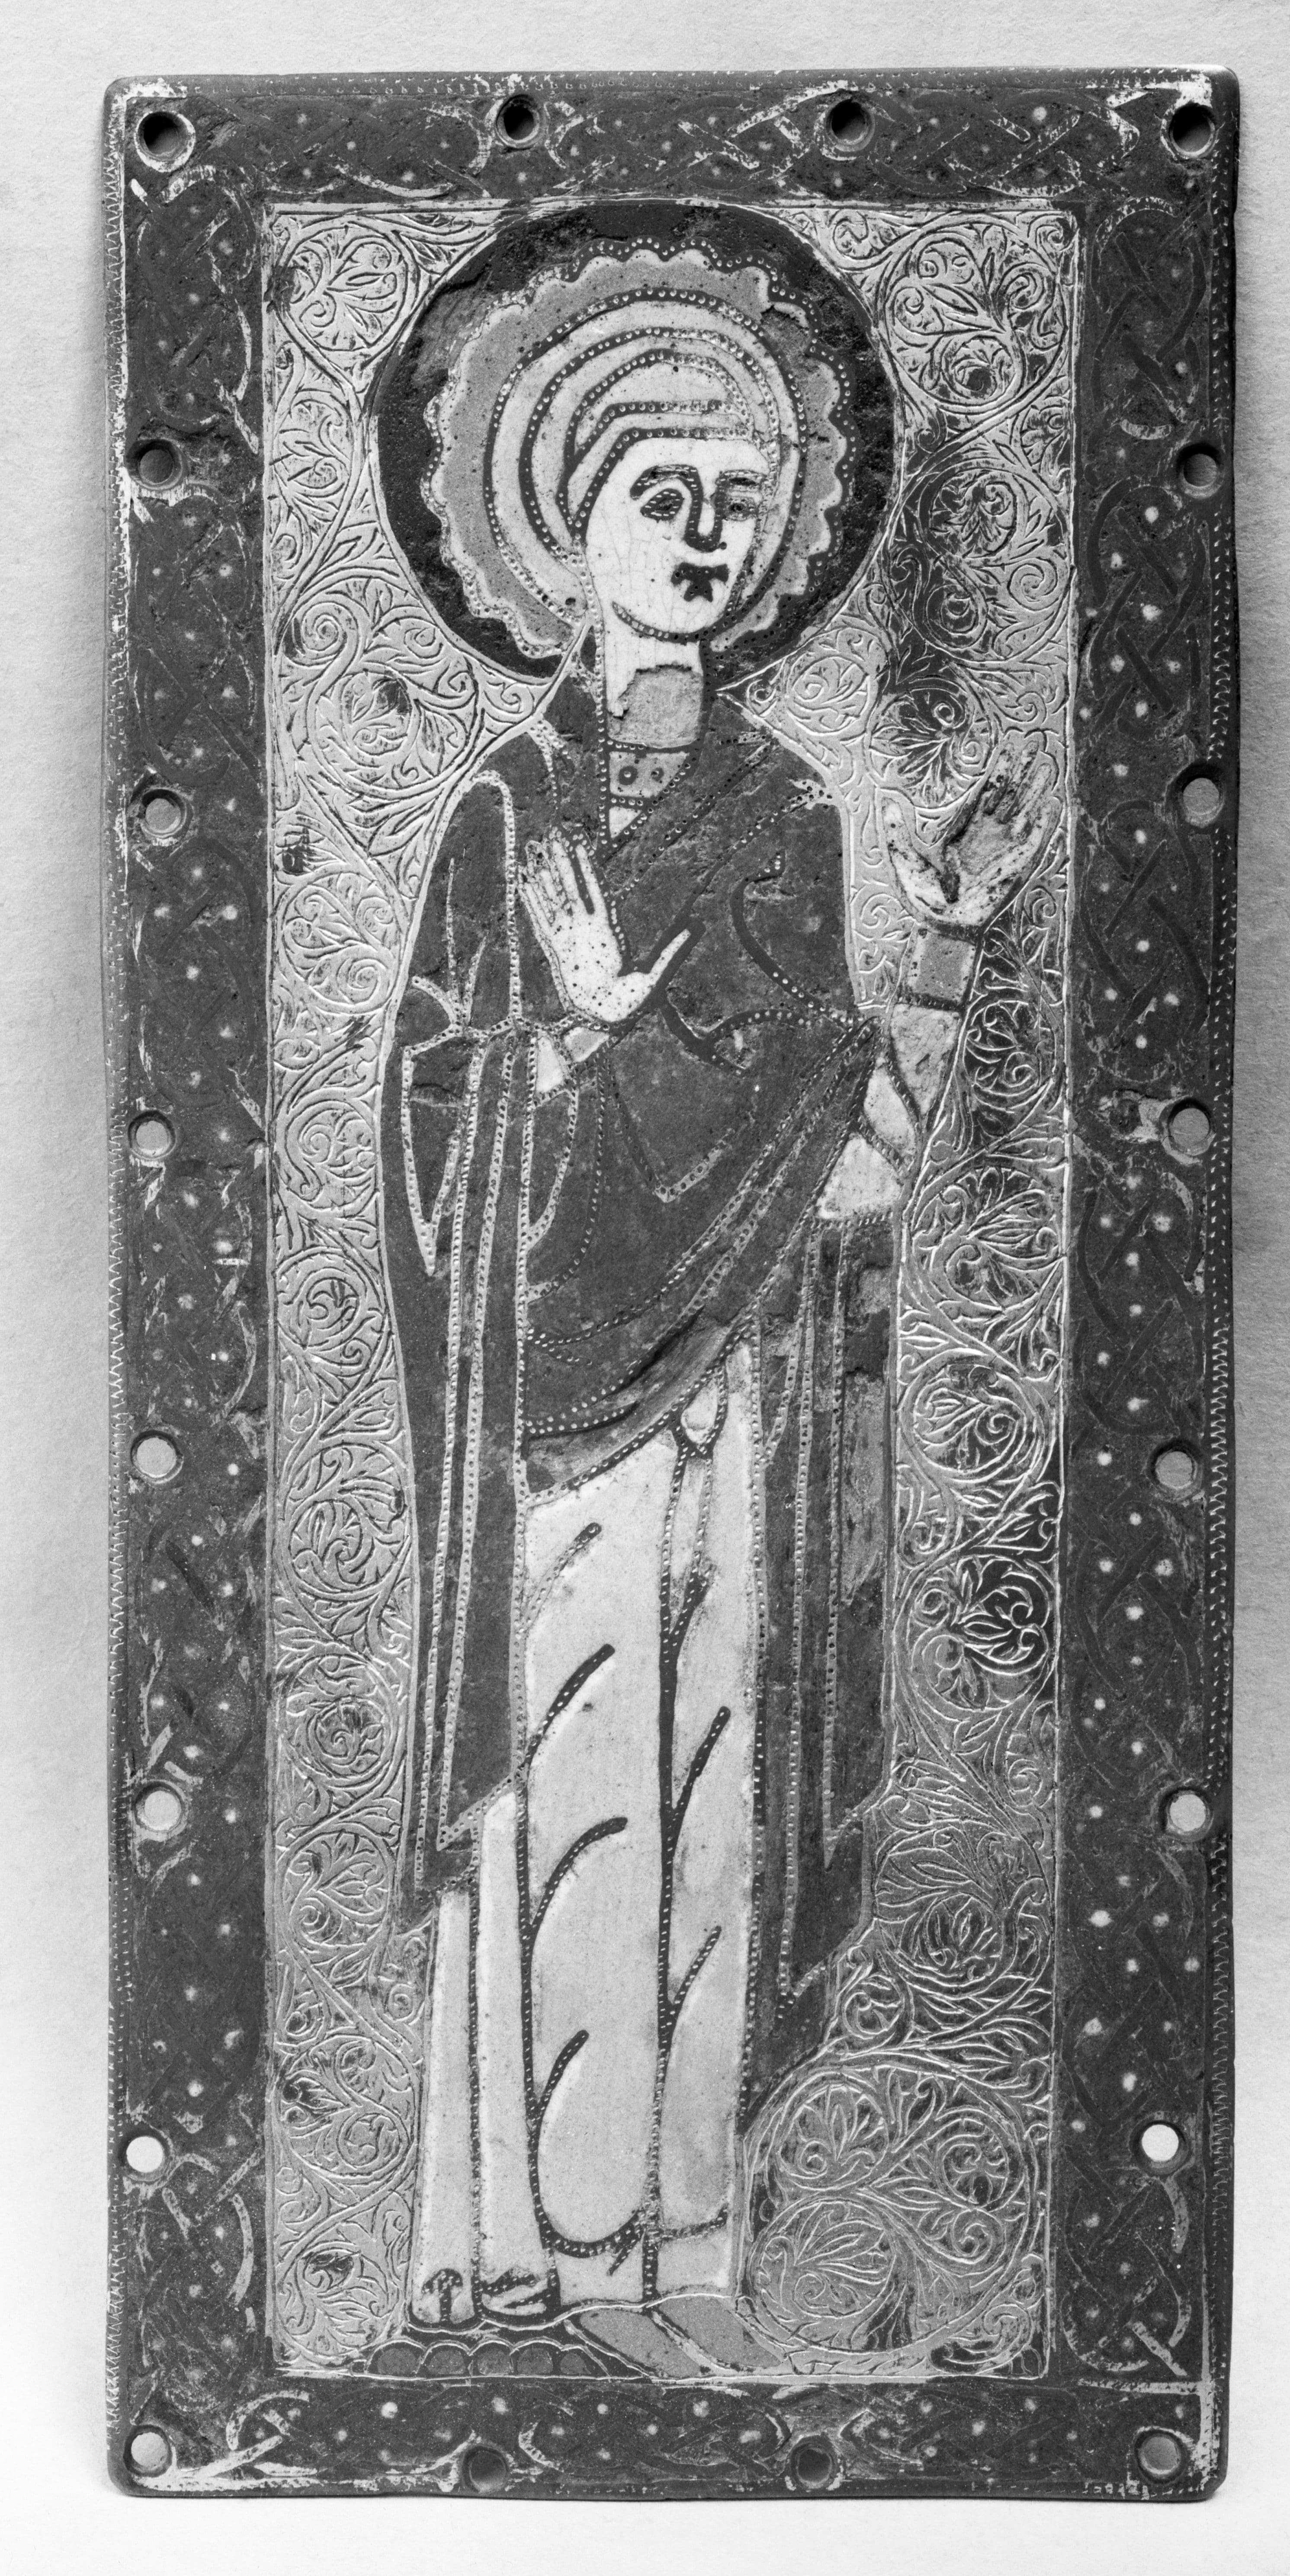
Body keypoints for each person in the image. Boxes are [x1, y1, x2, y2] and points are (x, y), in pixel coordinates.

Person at [378, 253, 1052, 2337]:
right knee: (576, 1802)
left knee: (710, 1820)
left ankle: (681, 2251)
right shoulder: (504, 817)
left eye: (740, 509)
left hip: (737, 1396)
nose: (705, 540)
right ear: (562, 527)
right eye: (662, 494)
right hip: (559, 1405)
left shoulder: (788, 815)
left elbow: (844, 1158)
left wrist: (943, 947)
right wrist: (563, 1048)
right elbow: (428, 1131)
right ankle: (552, 2260)